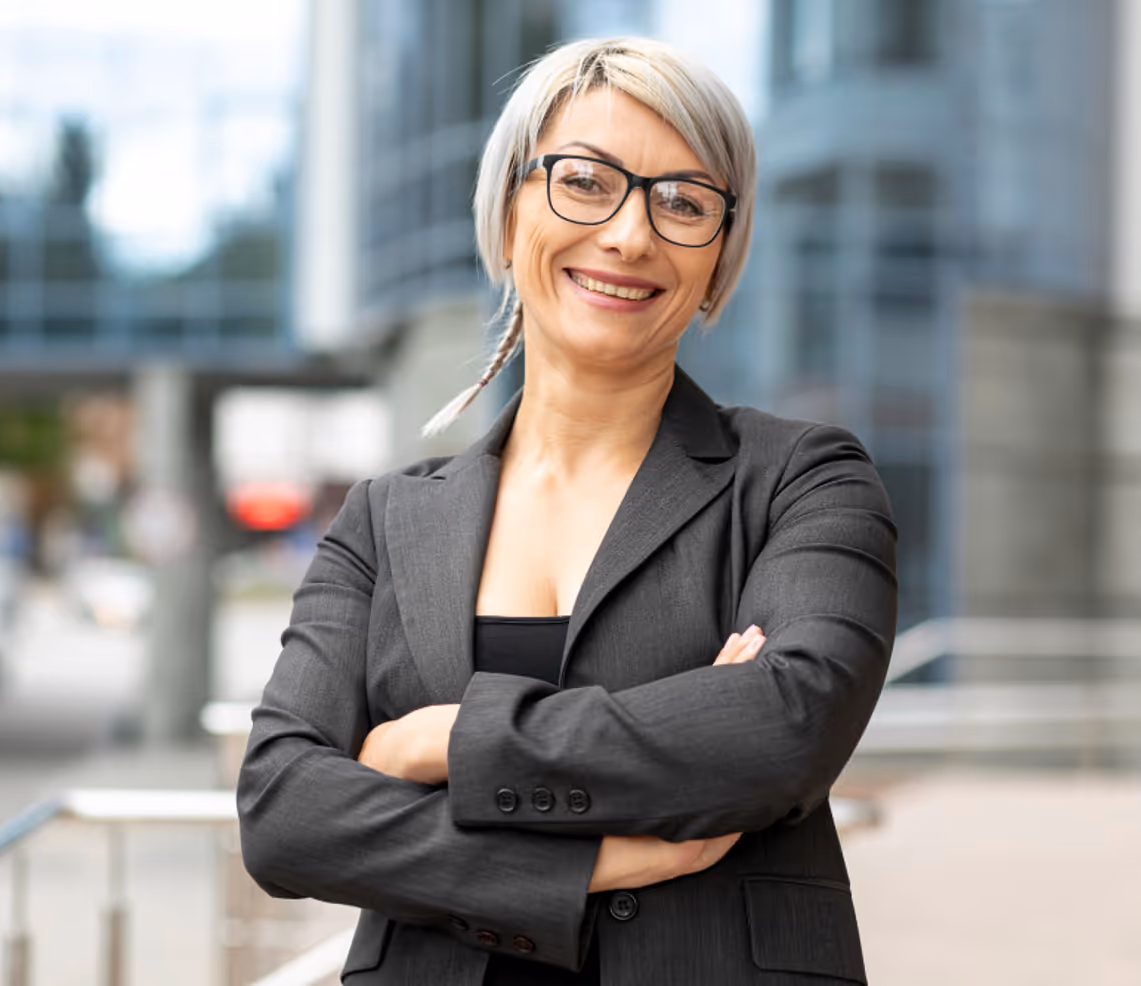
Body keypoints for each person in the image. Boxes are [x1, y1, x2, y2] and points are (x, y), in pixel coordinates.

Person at [238, 36, 897, 985]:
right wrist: (591, 860)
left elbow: (782, 727)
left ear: (718, 260)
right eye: (585, 181)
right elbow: (283, 812)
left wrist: (442, 740)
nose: (631, 234)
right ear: (510, 213)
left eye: (682, 202)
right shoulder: (385, 522)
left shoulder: (804, 480)